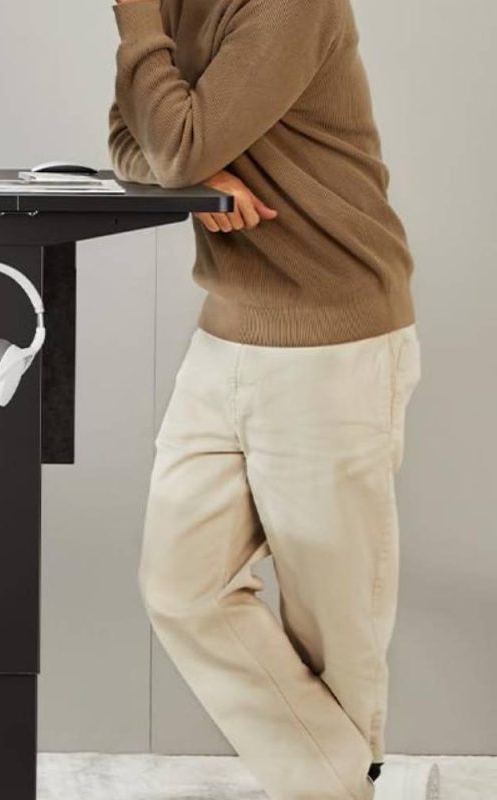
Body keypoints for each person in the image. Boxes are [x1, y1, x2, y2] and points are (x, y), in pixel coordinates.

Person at [107, 1, 432, 798]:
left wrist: (180, 144)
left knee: (334, 627)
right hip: (227, 335)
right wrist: (197, 174)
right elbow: (129, 141)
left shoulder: (290, 5)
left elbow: (171, 142)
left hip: (333, 338)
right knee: (182, 587)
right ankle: (346, 783)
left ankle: (340, 787)